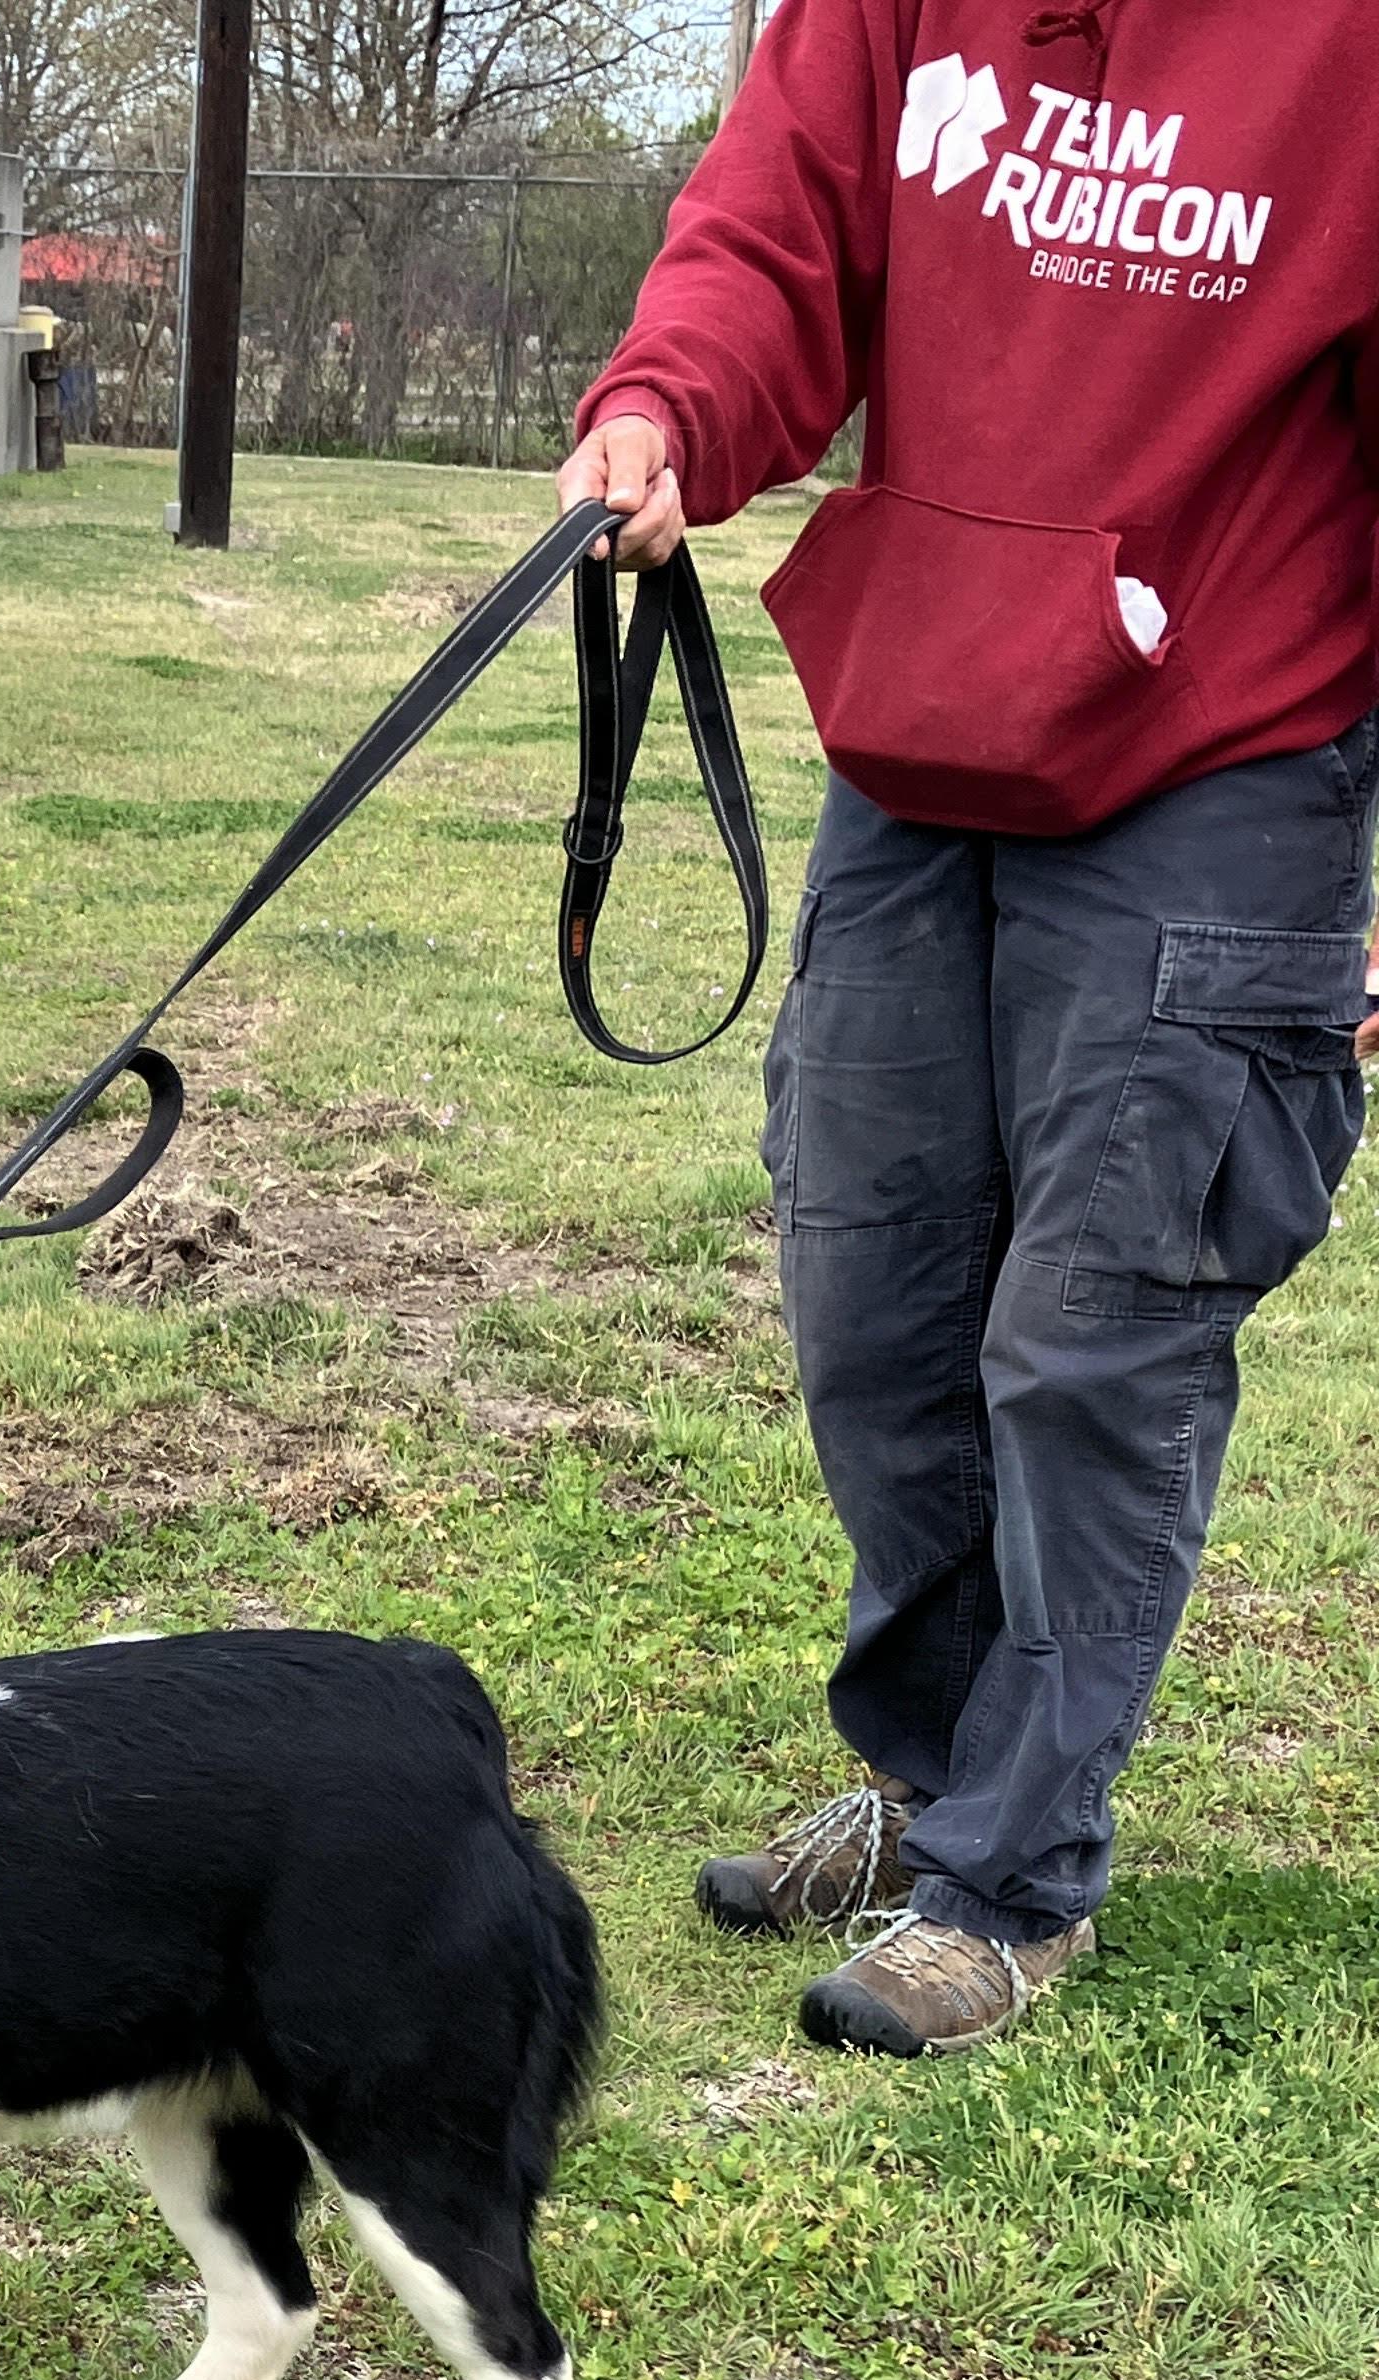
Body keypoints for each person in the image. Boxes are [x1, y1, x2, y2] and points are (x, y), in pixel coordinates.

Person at [561, 0, 1379, 2055]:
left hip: (1231, 746)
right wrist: (670, 410)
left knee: (1097, 1335)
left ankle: (1015, 1877)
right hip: (926, 727)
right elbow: (778, 237)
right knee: (879, 1297)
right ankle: (936, 1780)